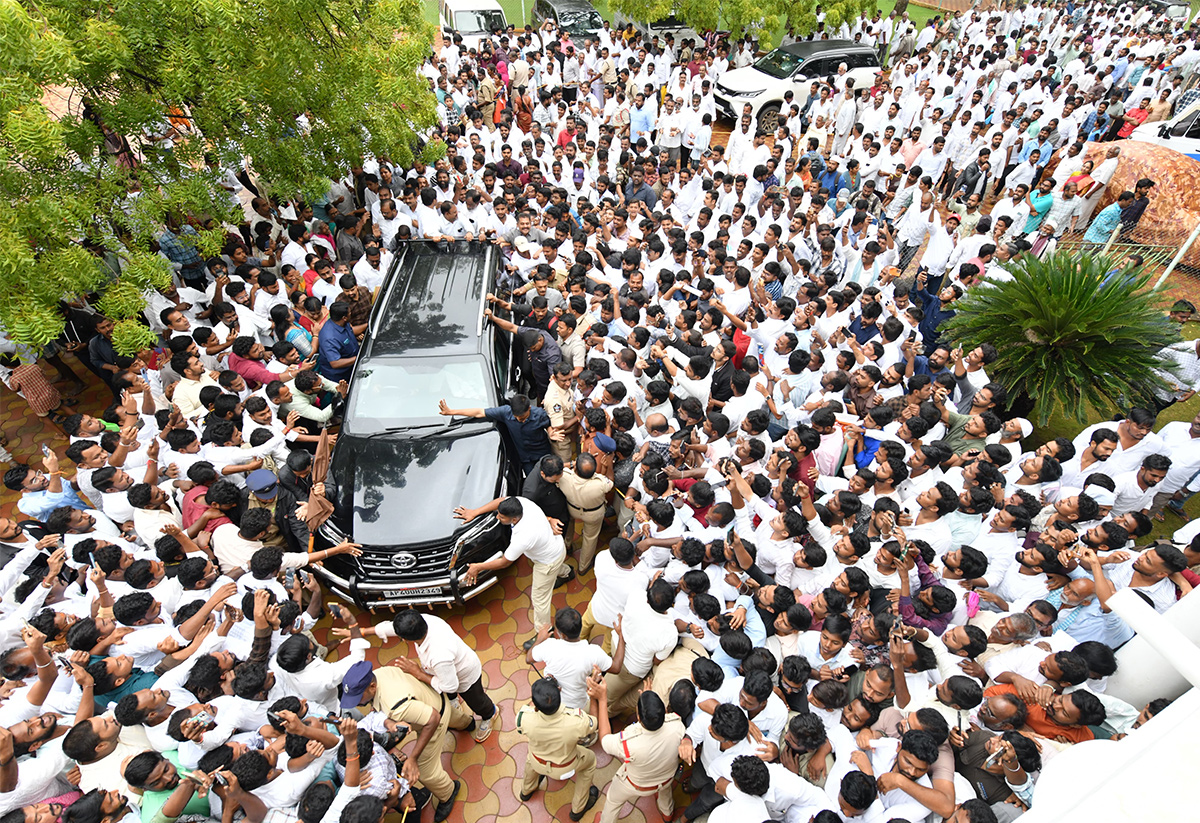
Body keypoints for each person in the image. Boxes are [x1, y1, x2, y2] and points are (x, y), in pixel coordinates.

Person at [451, 496, 567, 648]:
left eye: (501, 516)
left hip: (547, 562)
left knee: (539, 599)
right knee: (554, 566)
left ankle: (544, 633)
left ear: (513, 520)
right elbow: (501, 500)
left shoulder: (523, 537)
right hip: (556, 547)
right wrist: (475, 512)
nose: (497, 516)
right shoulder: (523, 504)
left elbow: (504, 562)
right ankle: (566, 573)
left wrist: (478, 567)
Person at [515, 676, 600, 822]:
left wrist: (539, 698)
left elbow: (526, 717)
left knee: (531, 759)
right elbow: (594, 723)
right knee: (590, 760)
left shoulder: (524, 718)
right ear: (559, 693)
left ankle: (526, 791)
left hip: (537, 760)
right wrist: (593, 698)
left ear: (535, 705)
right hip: (565, 767)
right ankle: (577, 809)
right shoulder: (576, 721)